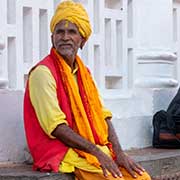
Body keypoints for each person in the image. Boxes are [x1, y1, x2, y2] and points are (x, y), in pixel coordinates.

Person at [24, 1, 151, 180]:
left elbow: (102, 115)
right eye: (60, 32)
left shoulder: (84, 73)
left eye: (72, 32)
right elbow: (56, 127)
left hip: (88, 148)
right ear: (52, 38)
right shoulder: (43, 73)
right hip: (58, 150)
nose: (65, 37)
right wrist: (98, 154)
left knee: (141, 177)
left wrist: (119, 153)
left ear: (82, 40)